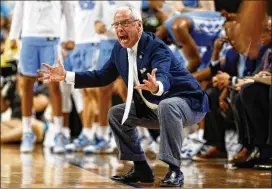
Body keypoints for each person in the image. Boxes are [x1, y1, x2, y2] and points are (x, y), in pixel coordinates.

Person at [38, 6, 209, 186]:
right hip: (156, 108)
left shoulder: (156, 46)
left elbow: (164, 74)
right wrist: (66, 76)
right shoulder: (119, 51)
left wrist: (157, 85)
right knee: (117, 114)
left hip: (189, 103)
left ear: (139, 26)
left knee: (168, 105)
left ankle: (174, 170)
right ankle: (141, 168)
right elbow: (102, 76)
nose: (120, 28)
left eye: (126, 23)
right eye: (117, 24)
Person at [9, 1, 75, 153]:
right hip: (28, 36)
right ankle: (27, 132)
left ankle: (58, 133)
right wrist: (13, 35)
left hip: (51, 37)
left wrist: (70, 37)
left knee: (54, 84)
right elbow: (19, 8)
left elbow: (68, 11)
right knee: (26, 84)